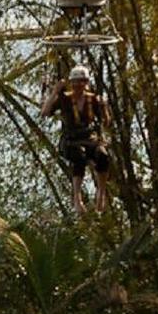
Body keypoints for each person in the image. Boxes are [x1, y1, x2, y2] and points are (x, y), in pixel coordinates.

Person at [41, 63, 112, 215]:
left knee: (103, 156)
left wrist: (104, 107)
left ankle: (101, 193)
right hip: (71, 141)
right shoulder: (64, 99)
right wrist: (54, 92)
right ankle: (77, 198)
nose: (79, 85)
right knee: (79, 158)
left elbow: (106, 122)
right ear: (71, 83)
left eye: (82, 82)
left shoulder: (93, 100)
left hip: (90, 138)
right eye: (75, 82)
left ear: (86, 83)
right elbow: (45, 112)